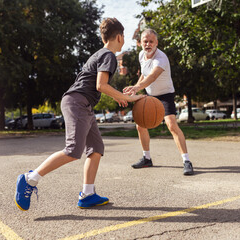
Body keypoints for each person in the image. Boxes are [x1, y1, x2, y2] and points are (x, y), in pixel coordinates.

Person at [14, 18, 145, 211]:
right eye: (123, 36)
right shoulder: (108, 55)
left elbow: (98, 85)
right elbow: (101, 85)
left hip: (83, 104)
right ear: (119, 36)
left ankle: (87, 194)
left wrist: (119, 96)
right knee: (73, 150)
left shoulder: (101, 54)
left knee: (96, 148)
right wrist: (129, 98)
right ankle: (29, 179)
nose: (123, 38)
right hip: (77, 102)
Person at [123, 29, 194, 176]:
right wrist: (136, 88)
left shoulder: (161, 58)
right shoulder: (141, 55)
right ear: (140, 43)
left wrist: (137, 87)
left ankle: (186, 161)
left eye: (151, 41)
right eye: (145, 41)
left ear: (156, 43)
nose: (148, 44)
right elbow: (144, 73)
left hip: (165, 94)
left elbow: (153, 76)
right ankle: (147, 158)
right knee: (140, 125)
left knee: (172, 125)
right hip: (150, 94)